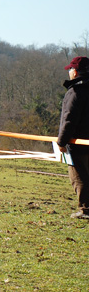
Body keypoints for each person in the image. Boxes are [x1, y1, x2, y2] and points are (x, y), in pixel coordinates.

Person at [57, 56, 89, 220]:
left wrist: (61, 141)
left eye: (70, 69)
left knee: (78, 177)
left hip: (77, 143)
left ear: (75, 72)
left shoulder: (75, 92)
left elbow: (69, 119)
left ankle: (85, 209)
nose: (69, 72)